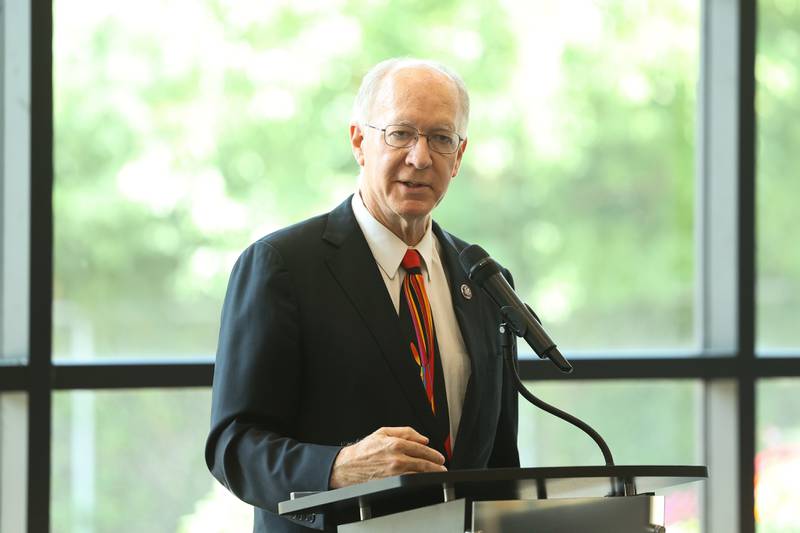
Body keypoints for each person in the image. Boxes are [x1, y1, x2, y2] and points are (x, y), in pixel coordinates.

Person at [205, 57, 520, 533]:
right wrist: (337, 467)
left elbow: (499, 462)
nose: (420, 157)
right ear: (359, 141)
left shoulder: (484, 280)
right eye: (400, 134)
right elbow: (234, 446)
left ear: (459, 155)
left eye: (440, 138)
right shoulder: (282, 266)